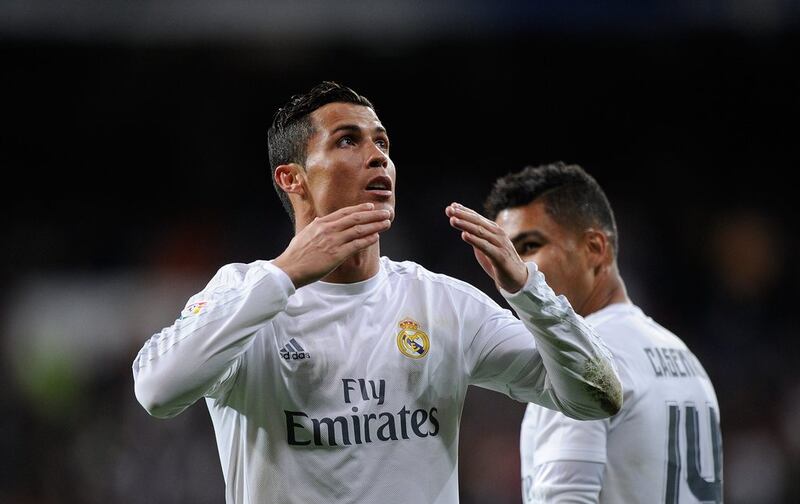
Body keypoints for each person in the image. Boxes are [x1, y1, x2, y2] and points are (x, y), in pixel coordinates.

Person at [132, 82, 621, 504]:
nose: (378, 156)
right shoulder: (246, 295)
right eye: (348, 140)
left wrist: (528, 291)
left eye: (382, 142)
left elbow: (597, 398)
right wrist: (283, 275)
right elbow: (157, 390)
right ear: (292, 177)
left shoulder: (442, 304)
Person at [483, 162, 722, 503]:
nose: (512, 268)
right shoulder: (684, 357)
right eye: (503, 252)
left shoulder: (576, 364)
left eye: (529, 246)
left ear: (595, 248)